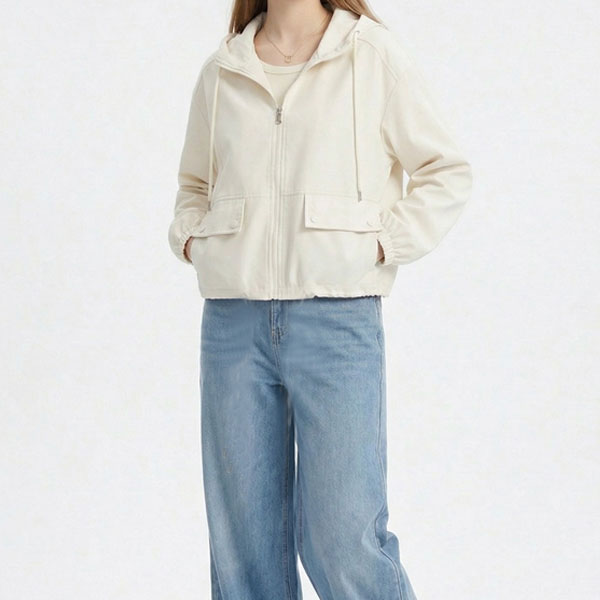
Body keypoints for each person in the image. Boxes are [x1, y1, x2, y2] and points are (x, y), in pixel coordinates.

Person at [168, 1, 472, 598]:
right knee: (242, 547)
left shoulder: (372, 54)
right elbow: (194, 185)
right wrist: (194, 241)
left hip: (337, 320)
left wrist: (382, 244)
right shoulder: (223, 68)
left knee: (343, 541)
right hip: (233, 324)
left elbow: (445, 170)